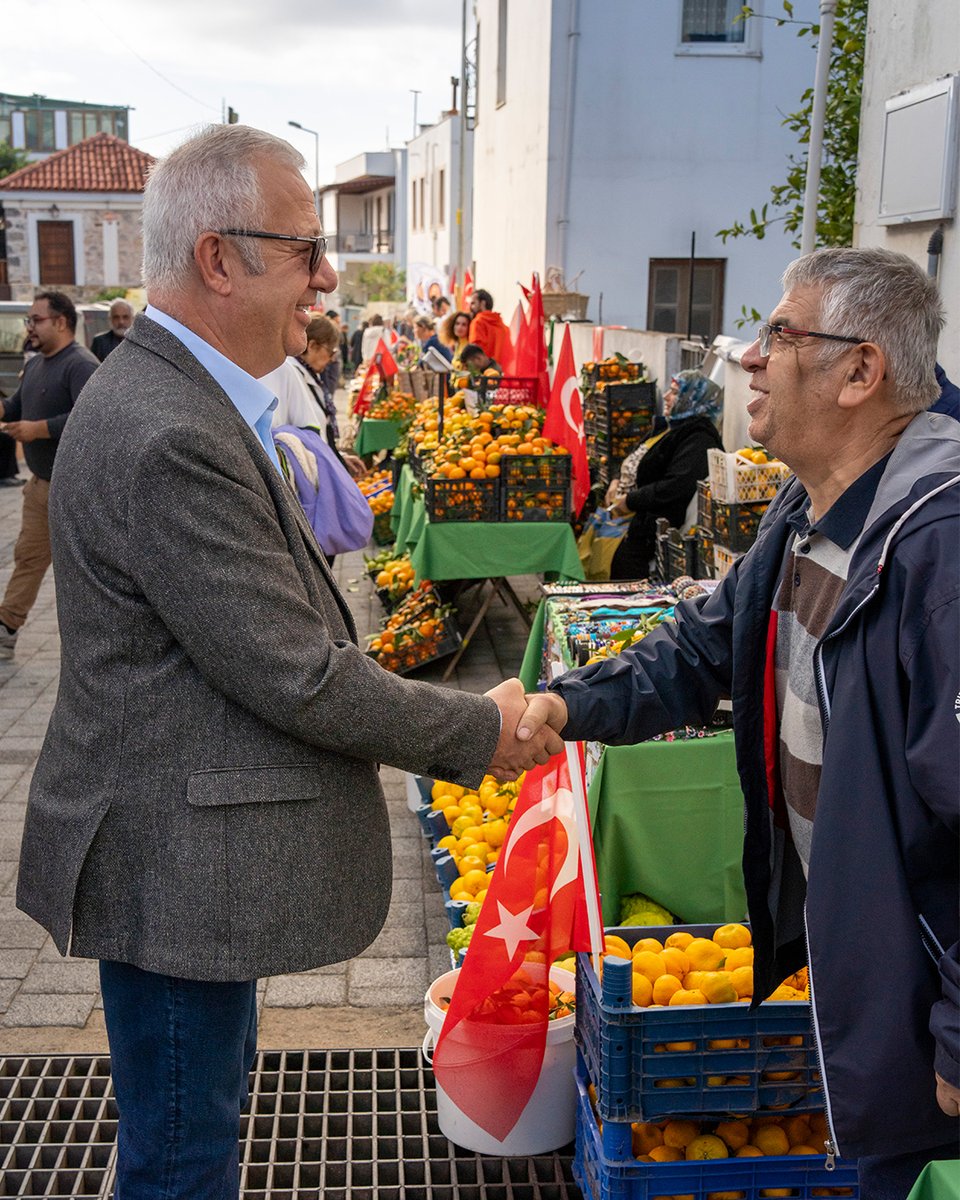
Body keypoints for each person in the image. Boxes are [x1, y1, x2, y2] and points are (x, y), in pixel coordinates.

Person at [15, 124, 559, 1199]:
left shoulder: (182, 397)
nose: (325, 278)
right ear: (220, 259)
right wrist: (478, 731)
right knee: (181, 1156)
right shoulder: (171, 428)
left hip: (177, 857)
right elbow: (296, 672)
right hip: (173, 867)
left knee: (187, 1129)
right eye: (306, 248)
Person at [518, 247, 960, 1197]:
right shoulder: (812, 505)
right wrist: (562, 702)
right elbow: (702, 647)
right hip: (872, 979)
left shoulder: (942, 550)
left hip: (925, 999)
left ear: (860, 372)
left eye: (781, 335)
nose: (750, 359)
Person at [0, 291, 98, 658]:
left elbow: (92, 418)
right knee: (28, 558)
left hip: (75, 492)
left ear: (60, 322)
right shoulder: (37, 364)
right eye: (29, 320)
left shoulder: (81, 364)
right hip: (40, 486)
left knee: (83, 574)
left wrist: (38, 429)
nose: (30, 328)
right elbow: (14, 408)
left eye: (36, 320)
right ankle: (6, 628)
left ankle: (95, 647)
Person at [607, 369, 723, 579]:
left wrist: (630, 501)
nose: (666, 397)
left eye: (675, 392)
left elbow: (676, 486)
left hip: (653, 534)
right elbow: (636, 454)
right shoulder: (671, 427)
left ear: (692, 399)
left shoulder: (699, 439)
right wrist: (616, 480)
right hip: (633, 523)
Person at [468, 288, 512, 366]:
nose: (470, 307)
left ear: (482, 303)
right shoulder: (503, 327)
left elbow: (475, 353)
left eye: (473, 303)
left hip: (485, 373)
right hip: (503, 373)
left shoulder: (477, 323)